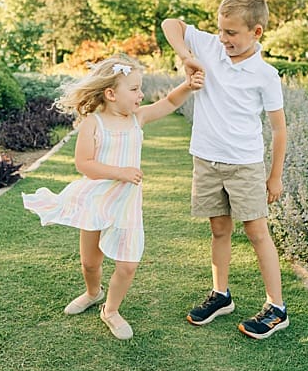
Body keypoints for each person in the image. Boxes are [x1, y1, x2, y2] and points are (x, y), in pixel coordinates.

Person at [22, 55, 202, 339]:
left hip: (126, 205)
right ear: (110, 94)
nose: (141, 94)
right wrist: (120, 172)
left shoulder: (137, 119)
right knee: (90, 262)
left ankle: (111, 310)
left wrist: (188, 86)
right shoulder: (93, 123)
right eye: (134, 89)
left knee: (128, 265)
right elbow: (84, 164)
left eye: (140, 88)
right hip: (96, 201)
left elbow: (169, 102)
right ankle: (93, 292)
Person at [162, 0, 289, 339]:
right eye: (220, 30)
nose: (223, 38)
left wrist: (275, 175)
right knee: (219, 229)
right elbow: (170, 24)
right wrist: (187, 57)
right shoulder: (209, 48)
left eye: (231, 32)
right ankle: (221, 295)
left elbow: (279, 129)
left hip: (244, 165)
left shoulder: (265, 75)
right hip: (206, 159)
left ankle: (277, 308)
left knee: (257, 232)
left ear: (256, 32)